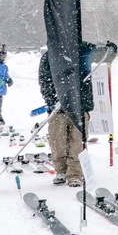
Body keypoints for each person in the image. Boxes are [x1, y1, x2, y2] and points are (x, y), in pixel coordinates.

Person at [38, 42, 97, 188]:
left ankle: (75, 173)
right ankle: (61, 170)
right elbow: (44, 81)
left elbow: (101, 54)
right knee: (58, 141)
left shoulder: (82, 52)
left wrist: (109, 50)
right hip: (58, 108)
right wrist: (53, 99)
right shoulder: (49, 57)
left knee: (77, 141)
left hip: (80, 106)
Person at [0, 48, 13, 131]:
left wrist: (8, 79)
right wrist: (0, 81)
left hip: (1, 91)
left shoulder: (4, 66)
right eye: (2, 56)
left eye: (4, 56)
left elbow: (5, 75)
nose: (3, 58)